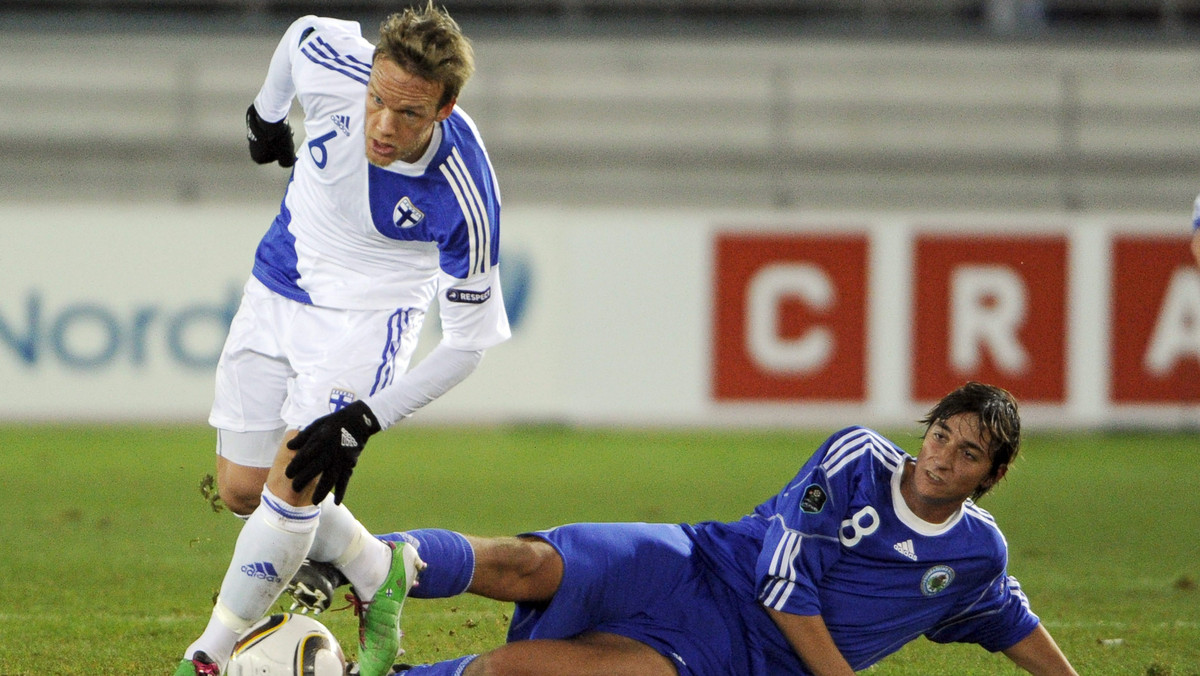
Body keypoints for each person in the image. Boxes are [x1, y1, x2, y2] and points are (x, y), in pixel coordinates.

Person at [294, 382, 1078, 676]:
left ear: (990, 476)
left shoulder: (977, 553)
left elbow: (1008, 619)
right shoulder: (856, 459)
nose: (941, 457)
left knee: (514, 671)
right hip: (697, 561)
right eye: (941, 433)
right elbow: (784, 585)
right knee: (536, 563)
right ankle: (355, 554)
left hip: (730, 656)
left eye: (966, 452)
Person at [173, 4, 508, 676]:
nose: (384, 125)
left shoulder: (465, 194)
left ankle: (206, 655)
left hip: (369, 315)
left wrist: (362, 421)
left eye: (409, 113)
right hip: (280, 281)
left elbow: (468, 346)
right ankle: (377, 567)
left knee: (297, 476)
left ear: (443, 109)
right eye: (378, 100)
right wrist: (266, 116)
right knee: (243, 490)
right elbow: (300, 35)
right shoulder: (337, 65)